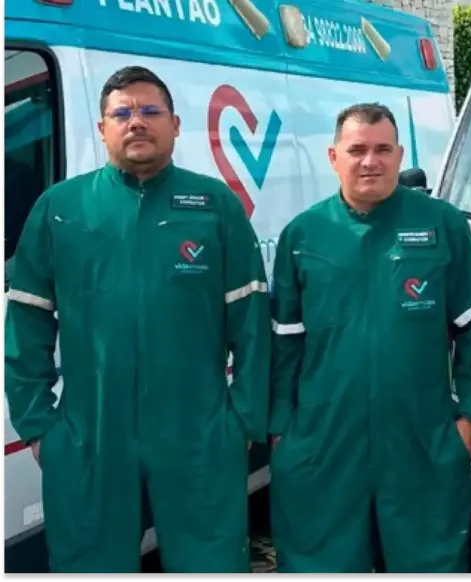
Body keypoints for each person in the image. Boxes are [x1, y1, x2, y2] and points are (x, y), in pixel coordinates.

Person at [2, 66, 270, 573]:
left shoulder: (215, 206)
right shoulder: (61, 209)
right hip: (90, 436)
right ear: (102, 128)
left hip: (199, 433)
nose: (137, 122)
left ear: (175, 125)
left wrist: (243, 421)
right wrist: (40, 428)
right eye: (122, 113)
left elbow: (251, 323)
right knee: (89, 563)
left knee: (211, 561)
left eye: (150, 111)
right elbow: (26, 325)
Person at [268, 103, 471, 573]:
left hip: (420, 436)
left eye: (383, 150)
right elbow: (284, 343)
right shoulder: (304, 235)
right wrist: (282, 433)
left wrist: (470, 418)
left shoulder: (441, 225)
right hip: (324, 439)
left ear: (399, 154)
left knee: (428, 560)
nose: (370, 161)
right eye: (357, 150)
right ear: (334, 157)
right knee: (320, 562)